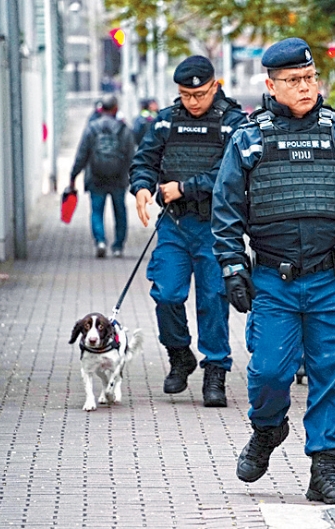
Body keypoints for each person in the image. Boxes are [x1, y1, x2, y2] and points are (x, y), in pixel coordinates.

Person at [211, 37, 335, 505]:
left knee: (331, 375)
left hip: (332, 281)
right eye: (294, 80)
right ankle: (269, 427)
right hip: (274, 283)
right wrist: (234, 266)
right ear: (271, 85)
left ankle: (325, 471)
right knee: (270, 372)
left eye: (310, 78)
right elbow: (227, 210)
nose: (305, 87)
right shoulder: (249, 138)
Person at [129, 56, 248, 407]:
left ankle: (216, 372)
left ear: (215, 86)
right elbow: (145, 160)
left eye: (199, 94)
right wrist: (141, 187)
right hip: (175, 225)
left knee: (213, 300)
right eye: (185, 95)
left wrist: (186, 187)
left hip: (216, 227)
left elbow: (231, 172)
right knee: (166, 293)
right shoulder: (167, 121)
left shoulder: (233, 124)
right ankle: (180, 354)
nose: (192, 102)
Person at [69, 94, 136, 258]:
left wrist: (73, 176)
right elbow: (132, 156)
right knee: (120, 212)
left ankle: (100, 241)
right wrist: (135, 178)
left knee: (96, 212)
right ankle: (118, 246)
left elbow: (82, 154)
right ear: (115, 109)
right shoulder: (123, 129)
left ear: (100, 109)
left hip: (96, 178)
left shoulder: (92, 128)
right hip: (118, 178)